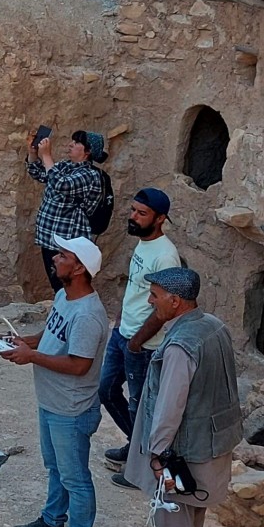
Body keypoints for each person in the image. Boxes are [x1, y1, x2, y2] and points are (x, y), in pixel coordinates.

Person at [123, 267, 243, 527]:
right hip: (214, 440)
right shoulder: (213, 326)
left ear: (174, 302)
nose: (150, 301)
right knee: (193, 513)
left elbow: (170, 405)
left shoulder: (179, 345)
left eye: (155, 295)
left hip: (185, 449)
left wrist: (158, 454)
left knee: (172, 513)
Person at [2, 235, 108, 527]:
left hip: (71, 407)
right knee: (56, 467)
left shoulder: (89, 315)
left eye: (62, 255)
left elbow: (79, 364)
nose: (55, 259)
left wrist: (31, 355)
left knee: (74, 476)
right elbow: (53, 334)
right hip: (53, 400)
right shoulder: (64, 296)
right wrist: (26, 342)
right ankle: (52, 520)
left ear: (78, 268)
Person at [99, 188, 182, 475]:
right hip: (123, 333)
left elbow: (164, 309)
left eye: (141, 213)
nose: (133, 217)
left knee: (140, 406)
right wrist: (121, 322)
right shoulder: (143, 244)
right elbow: (136, 288)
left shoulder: (166, 256)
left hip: (143, 345)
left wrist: (136, 342)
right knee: (106, 389)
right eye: (133, 210)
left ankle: (142, 468)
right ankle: (135, 448)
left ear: (160, 219)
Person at [25, 128, 107, 291]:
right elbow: (41, 174)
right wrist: (33, 153)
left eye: (76, 143)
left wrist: (47, 155)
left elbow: (60, 184)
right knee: (58, 286)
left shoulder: (89, 175)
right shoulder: (66, 166)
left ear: (88, 151)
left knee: (67, 286)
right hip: (50, 239)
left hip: (68, 242)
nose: (70, 145)